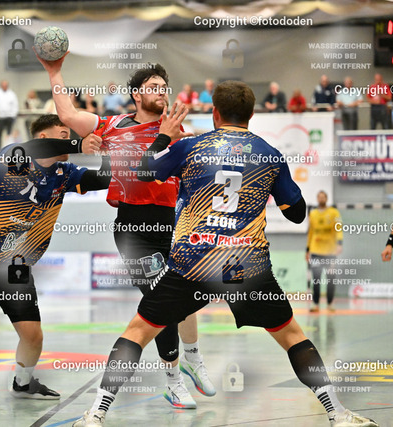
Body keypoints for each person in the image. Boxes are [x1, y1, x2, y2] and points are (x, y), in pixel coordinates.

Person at [73, 81, 378, 427]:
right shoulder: (269, 154)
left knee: (138, 331)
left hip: (192, 263)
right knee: (293, 336)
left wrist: (164, 137)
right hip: (246, 266)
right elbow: (296, 213)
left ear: (215, 113)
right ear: (251, 114)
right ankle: (337, 413)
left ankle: (96, 414)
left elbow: (142, 172)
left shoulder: (190, 146)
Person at [38, 53, 214, 409]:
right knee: (162, 300)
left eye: (164, 87)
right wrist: (55, 72)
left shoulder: (176, 130)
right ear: (136, 94)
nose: (161, 92)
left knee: (183, 295)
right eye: (154, 87)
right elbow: (68, 115)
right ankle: (173, 381)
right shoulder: (112, 125)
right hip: (134, 228)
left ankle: (193, 358)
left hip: (170, 225)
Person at [0, 114, 110, 400]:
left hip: (14, 265)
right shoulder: (14, 157)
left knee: (32, 335)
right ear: (43, 137)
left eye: (69, 137)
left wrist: (109, 151)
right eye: (63, 136)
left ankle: (23, 383)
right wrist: (79, 144)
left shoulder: (64, 174)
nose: (69, 140)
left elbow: (103, 179)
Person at [306, 191, 342, 313]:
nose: (321, 199)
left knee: (330, 279)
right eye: (319, 197)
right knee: (316, 279)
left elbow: (339, 228)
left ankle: (330, 303)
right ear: (317, 199)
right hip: (316, 251)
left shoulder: (334, 212)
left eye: (323, 197)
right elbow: (311, 232)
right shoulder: (313, 213)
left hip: (330, 252)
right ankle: (316, 304)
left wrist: (339, 243)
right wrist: (307, 249)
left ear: (326, 198)